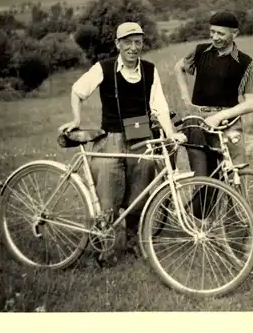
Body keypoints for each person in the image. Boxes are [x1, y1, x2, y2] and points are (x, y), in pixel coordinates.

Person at [59, 21, 185, 258]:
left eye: (138, 42)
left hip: (141, 137)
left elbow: (159, 106)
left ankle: (132, 242)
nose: (133, 47)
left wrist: (171, 135)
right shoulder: (103, 68)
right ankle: (103, 246)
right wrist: (76, 119)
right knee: (108, 192)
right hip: (111, 139)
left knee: (141, 191)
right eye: (127, 42)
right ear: (118, 44)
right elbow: (78, 90)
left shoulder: (149, 70)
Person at [174, 10, 253, 186]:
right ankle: (203, 213)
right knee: (203, 180)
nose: (215, 37)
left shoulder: (245, 62)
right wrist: (185, 98)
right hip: (198, 122)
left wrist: (219, 116)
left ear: (235, 34)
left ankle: (236, 214)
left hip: (229, 123)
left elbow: (250, 104)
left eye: (221, 33)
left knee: (236, 175)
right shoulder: (200, 52)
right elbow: (179, 67)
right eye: (212, 32)